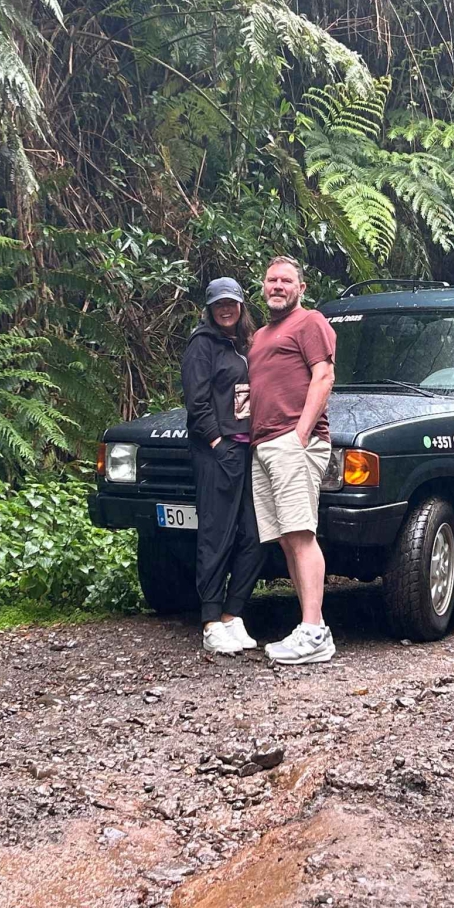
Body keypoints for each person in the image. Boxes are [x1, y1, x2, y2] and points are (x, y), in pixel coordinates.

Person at [248, 256, 337, 665]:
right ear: (263, 286)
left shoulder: (310, 321)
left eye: (286, 280)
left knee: (301, 534)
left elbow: (324, 376)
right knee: (286, 538)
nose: (277, 286)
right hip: (264, 445)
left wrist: (300, 435)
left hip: (293, 442)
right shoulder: (260, 336)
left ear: (300, 288)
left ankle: (314, 631)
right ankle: (312, 629)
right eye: (272, 280)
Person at [180, 277, 269, 655]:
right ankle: (211, 620)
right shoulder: (202, 344)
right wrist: (217, 441)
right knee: (216, 534)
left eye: (231, 303)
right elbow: (196, 401)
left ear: (241, 305)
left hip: (249, 449)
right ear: (210, 308)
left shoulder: (247, 343)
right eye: (219, 304)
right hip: (217, 451)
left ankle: (233, 614)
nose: (226, 309)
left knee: (255, 533)